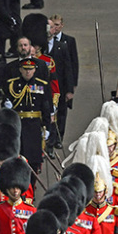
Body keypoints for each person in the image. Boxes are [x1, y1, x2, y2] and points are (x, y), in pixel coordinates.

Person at [3, 57, 53, 175]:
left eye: (30, 69)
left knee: (33, 161)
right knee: (17, 158)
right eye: (25, 69)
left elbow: (46, 109)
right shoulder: (12, 85)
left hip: (34, 126)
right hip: (18, 125)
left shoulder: (42, 85)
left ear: (34, 70)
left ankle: (31, 187)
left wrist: (48, 128)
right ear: (20, 70)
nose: (28, 72)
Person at [46, 15, 79, 144]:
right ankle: (50, 137)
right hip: (49, 84)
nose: (55, 28)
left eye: (57, 25)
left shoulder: (68, 41)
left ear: (62, 25)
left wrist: (71, 86)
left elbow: (72, 65)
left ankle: (59, 138)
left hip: (62, 83)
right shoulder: (44, 43)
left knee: (62, 111)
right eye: (52, 25)